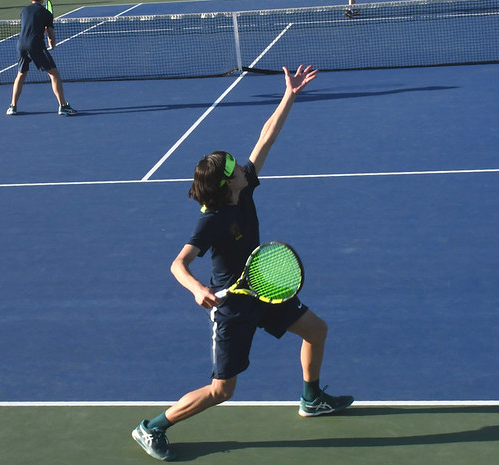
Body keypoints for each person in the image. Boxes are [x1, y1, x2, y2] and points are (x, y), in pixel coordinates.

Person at [131, 65, 353, 462]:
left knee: (316, 331)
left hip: (262, 287)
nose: (241, 166)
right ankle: (151, 427)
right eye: (233, 168)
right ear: (225, 184)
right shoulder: (212, 221)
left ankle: (312, 398)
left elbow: (265, 137)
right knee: (222, 391)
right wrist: (198, 288)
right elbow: (178, 264)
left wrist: (289, 96)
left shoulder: (243, 189)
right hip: (232, 308)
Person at [6, 0, 76, 116]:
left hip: (21, 45)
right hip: (36, 45)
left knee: (20, 75)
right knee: (54, 74)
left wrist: (40, 29)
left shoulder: (24, 11)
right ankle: (63, 106)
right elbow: (50, 33)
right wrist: (52, 44)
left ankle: (12, 106)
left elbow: (30, 26)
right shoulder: (46, 13)